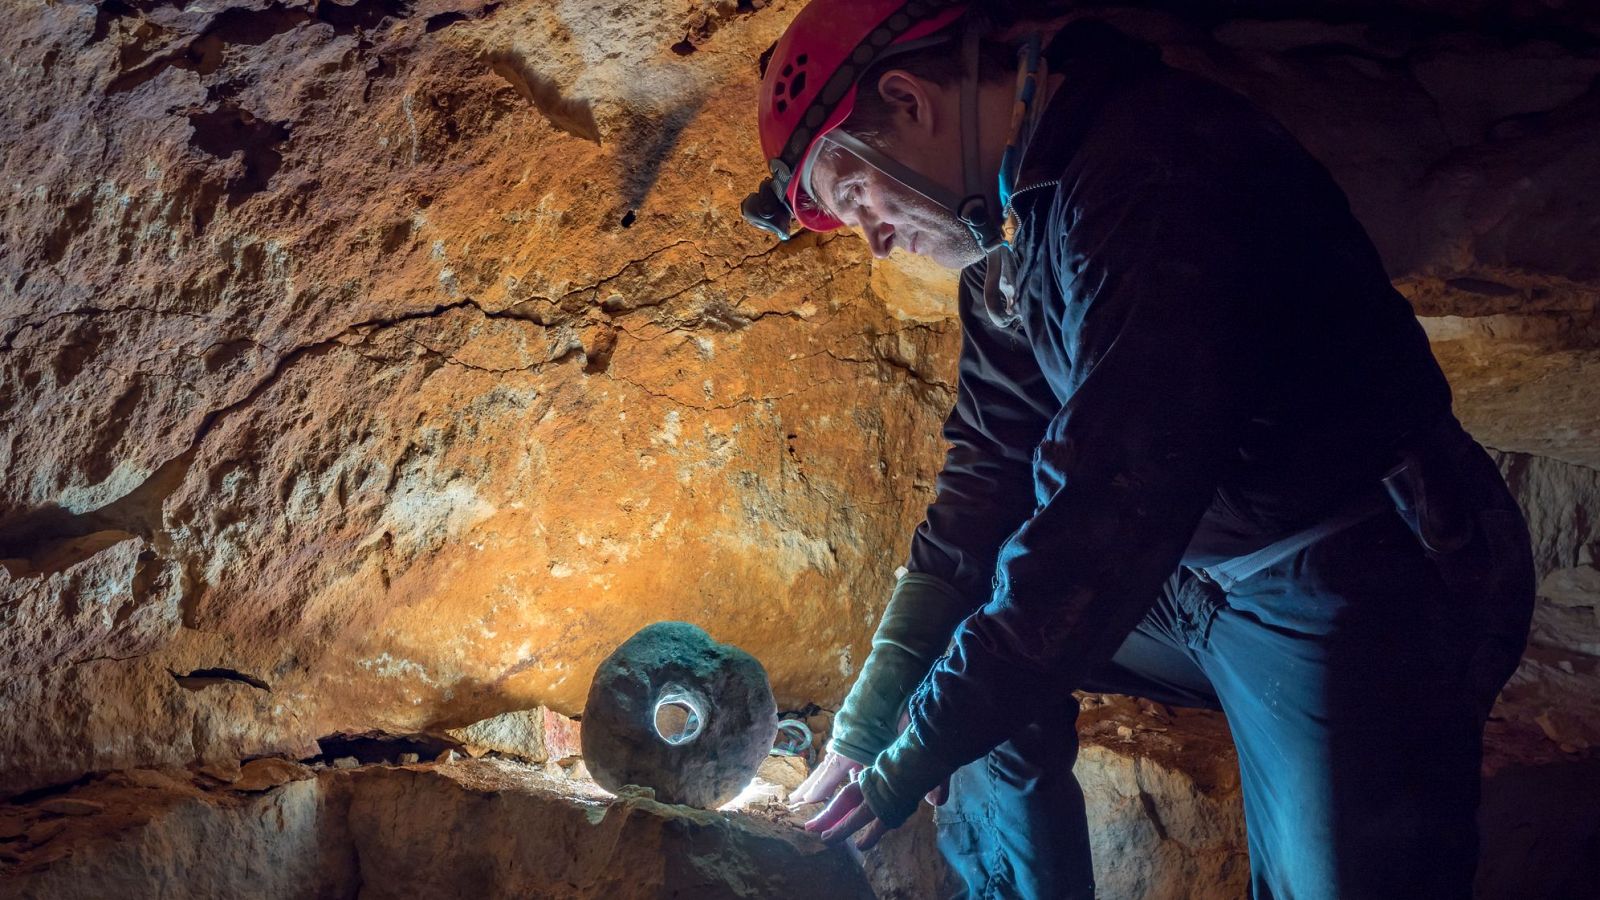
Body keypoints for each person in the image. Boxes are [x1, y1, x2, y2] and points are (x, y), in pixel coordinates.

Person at [741, 1, 1537, 898]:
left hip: (1349, 568)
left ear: (910, 99)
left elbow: (1110, 511)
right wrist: (867, 729)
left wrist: (902, 766)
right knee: (968, 677)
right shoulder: (1014, 231)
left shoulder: (1153, 171)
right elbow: (985, 485)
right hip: (1194, 576)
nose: (876, 239)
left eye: (858, 200)